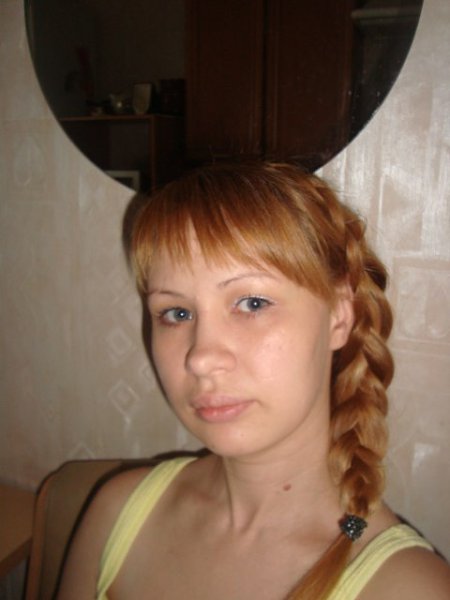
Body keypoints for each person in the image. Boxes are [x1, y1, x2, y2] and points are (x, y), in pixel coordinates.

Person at [57, 162, 450, 600]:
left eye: (252, 303)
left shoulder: (411, 589)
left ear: (340, 316)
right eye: (177, 313)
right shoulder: (114, 512)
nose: (201, 358)